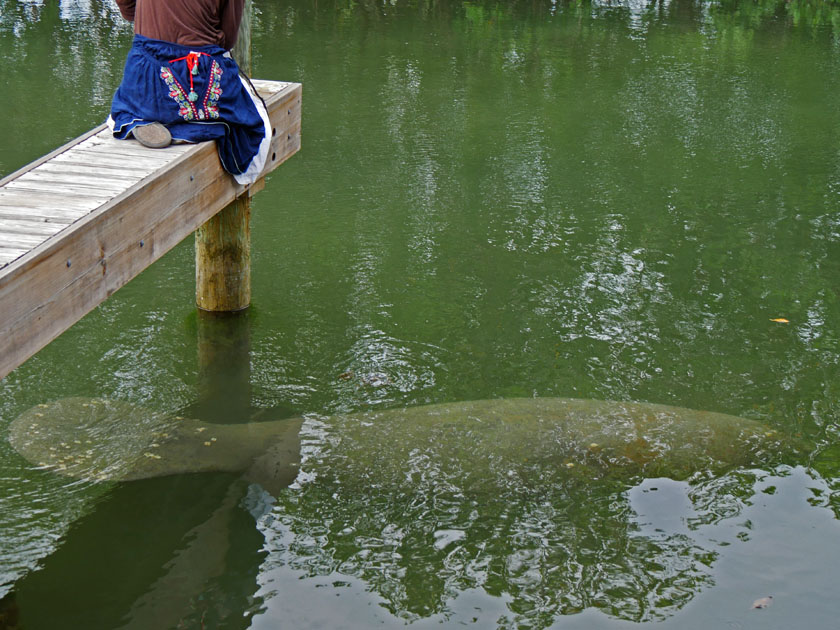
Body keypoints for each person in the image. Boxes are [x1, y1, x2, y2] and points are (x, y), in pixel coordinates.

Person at [108, 0, 270, 186]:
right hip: (199, 73)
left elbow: (127, 8)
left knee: (123, 108)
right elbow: (228, 40)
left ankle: (142, 118)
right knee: (253, 119)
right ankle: (185, 126)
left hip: (146, 68)